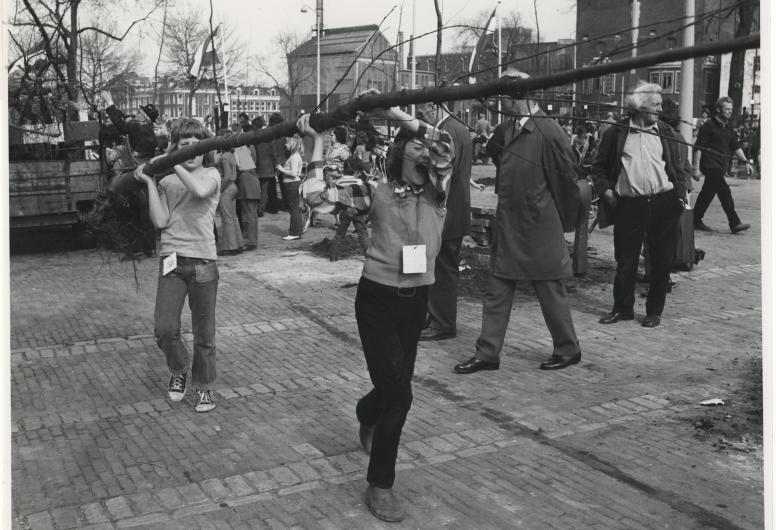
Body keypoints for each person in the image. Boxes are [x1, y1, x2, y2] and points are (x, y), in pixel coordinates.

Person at [297, 96, 453, 523]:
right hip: (378, 300)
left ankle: (366, 413)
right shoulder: (374, 191)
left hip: (417, 300)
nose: (425, 151)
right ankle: (380, 484)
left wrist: (397, 112)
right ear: (400, 153)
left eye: (426, 147)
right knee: (401, 394)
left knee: (390, 388)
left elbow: (443, 141)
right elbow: (316, 196)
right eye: (414, 146)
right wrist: (316, 141)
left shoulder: (439, 190)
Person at [454, 68, 582, 374]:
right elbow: (498, 157)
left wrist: (559, 223)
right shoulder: (510, 128)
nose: (497, 101)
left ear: (517, 96)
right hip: (510, 225)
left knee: (550, 291)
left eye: (501, 95)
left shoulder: (549, 131)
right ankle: (487, 353)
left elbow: (567, 184)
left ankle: (568, 349)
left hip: (540, 228)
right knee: (496, 289)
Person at [132, 118, 221, 413]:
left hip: (204, 262)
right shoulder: (168, 181)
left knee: (204, 334)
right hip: (172, 260)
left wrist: (174, 161)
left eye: (197, 146)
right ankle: (179, 369)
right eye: (184, 147)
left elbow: (197, 191)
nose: (191, 151)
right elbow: (160, 221)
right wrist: (150, 181)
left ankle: (205, 387)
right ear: (175, 147)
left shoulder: (212, 175)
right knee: (164, 329)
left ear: (205, 148)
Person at [591, 82, 690, 329]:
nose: (660, 108)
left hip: (663, 203)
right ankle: (622, 309)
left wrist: (680, 193)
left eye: (660, 104)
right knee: (626, 260)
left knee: (661, 260)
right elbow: (598, 168)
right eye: (655, 104)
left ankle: (653, 312)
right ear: (639, 106)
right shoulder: (616, 133)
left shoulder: (667, 132)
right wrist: (607, 192)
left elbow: (682, 167)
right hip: (629, 205)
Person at [415, 100, 473, 341]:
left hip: (447, 212)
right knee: (442, 267)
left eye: (424, 111)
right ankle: (436, 317)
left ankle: (442, 323)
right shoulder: (459, 128)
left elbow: (443, 175)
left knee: (442, 269)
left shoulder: (446, 132)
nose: (423, 115)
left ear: (434, 107)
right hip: (456, 210)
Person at [692, 96, 753, 233]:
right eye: (727, 109)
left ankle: (695, 219)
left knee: (707, 192)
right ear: (718, 110)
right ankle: (734, 222)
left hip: (720, 166)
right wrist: (695, 168)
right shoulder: (708, 126)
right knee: (724, 191)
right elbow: (698, 148)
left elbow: (736, 147)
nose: (730, 112)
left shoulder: (728, 128)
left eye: (731, 109)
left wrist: (746, 162)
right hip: (709, 165)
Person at [214, 129, 244, 256]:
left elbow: (226, 177)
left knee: (227, 219)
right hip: (234, 186)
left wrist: (220, 190)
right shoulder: (232, 155)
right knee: (233, 217)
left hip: (227, 187)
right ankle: (239, 244)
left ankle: (230, 247)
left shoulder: (225, 157)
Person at [231, 122, 260, 250]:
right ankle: (253, 239)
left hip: (245, 183)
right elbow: (253, 162)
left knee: (247, 214)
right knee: (252, 214)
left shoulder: (238, 148)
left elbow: (241, 166)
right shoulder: (250, 146)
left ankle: (250, 240)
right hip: (253, 181)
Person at [275, 134, 305, 241]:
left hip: (292, 184)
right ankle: (295, 230)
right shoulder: (294, 156)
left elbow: (293, 173)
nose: (285, 144)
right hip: (291, 184)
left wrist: (282, 169)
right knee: (294, 208)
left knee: (294, 209)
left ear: (293, 144)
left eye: (287, 143)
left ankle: (295, 232)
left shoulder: (295, 157)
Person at [251, 117, 279, 217]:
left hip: (255, 166)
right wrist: (276, 166)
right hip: (267, 167)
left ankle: (255, 207)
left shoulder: (254, 137)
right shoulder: (268, 138)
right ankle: (260, 209)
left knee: (255, 189)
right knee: (264, 190)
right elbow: (273, 153)